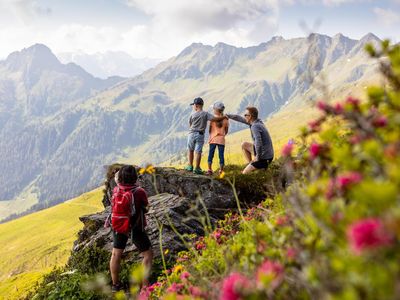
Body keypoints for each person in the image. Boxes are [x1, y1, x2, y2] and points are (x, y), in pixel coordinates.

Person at [109, 165, 153, 292]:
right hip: (135, 226)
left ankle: (115, 285)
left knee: (116, 253)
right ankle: (145, 286)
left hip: (118, 225)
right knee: (148, 255)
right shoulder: (139, 192)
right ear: (134, 177)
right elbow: (146, 207)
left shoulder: (116, 190)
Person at [226, 107, 274, 174]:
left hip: (264, 158)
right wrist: (227, 116)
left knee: (244, 173)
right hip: (267, 154)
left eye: (245, 115)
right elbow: (239, 118)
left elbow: (258, 143)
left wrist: (257, 157)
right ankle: (252, 164)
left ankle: (258, 166)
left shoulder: (255, 126)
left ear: (250, 116)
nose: (244, 116)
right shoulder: (257, 122)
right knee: (244, 145)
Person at [185, 97, 226, 174]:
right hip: (200, 134)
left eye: (193, 105)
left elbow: (190, 124)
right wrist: (224, 117)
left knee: (190, 150)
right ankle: (197, 168)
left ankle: (190, 166)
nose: (193, 107)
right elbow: (215, 119)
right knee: (198, 151)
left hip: (191, 134)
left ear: (196, 106)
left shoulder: (192, 114)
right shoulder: (205, 114)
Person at [207, 101, 229, 175]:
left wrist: (212, 134)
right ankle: (221, 170)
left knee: (211, 154)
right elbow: (226, 131)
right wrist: (222, 134)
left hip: (213, 138)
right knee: (221, 155)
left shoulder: (212, 119)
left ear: (216, 110)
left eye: (213, 108)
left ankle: (209, 169)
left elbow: (209, 130)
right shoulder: (225, 119)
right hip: (221, 139)